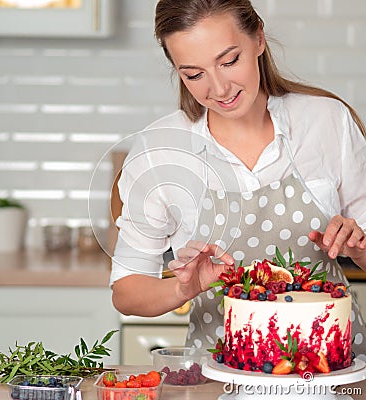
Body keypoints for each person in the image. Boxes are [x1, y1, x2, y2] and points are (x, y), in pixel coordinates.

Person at [110, 0, 366, 360]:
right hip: (218, 374)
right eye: (194, 74)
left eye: (229, 61)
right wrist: (187, 288)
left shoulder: (326, 121)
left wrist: (358, 248)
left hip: (332, 370)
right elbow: (126, 291)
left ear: (258, 38)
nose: (219, 88)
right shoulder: (159, 150)